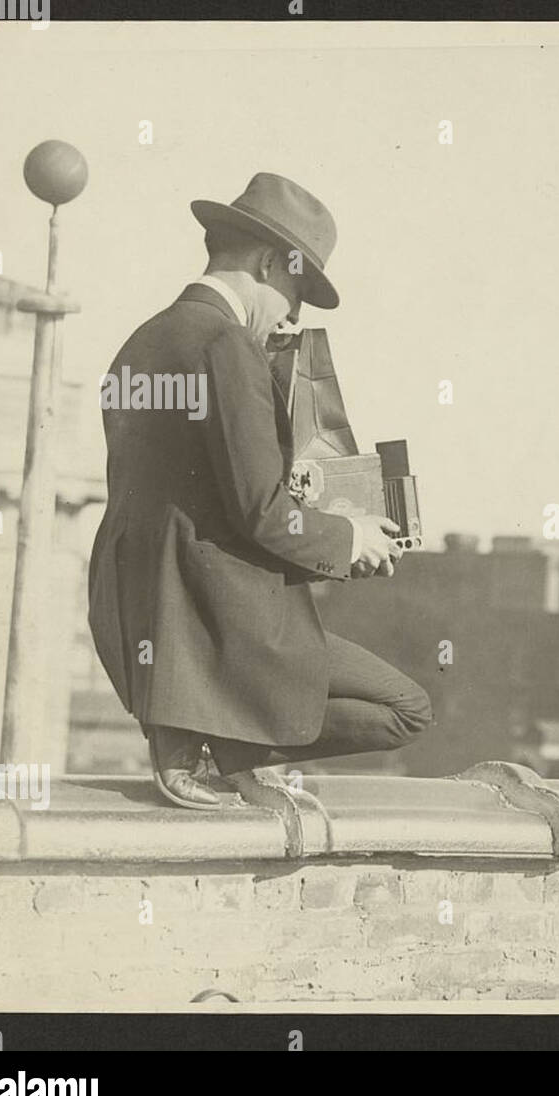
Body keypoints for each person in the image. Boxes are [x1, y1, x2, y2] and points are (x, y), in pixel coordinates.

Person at [88, 173, 432, 811]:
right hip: (218, 623)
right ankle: (216, 740)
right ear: (271, 261)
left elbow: (193, 493)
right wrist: (350, 535)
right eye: (296, 292)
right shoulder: (225, 345)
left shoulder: (142, 339)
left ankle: (213, 742)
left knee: (388, 701)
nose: (295, 315)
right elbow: (260, 512)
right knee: (406, 708)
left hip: (147, 614)